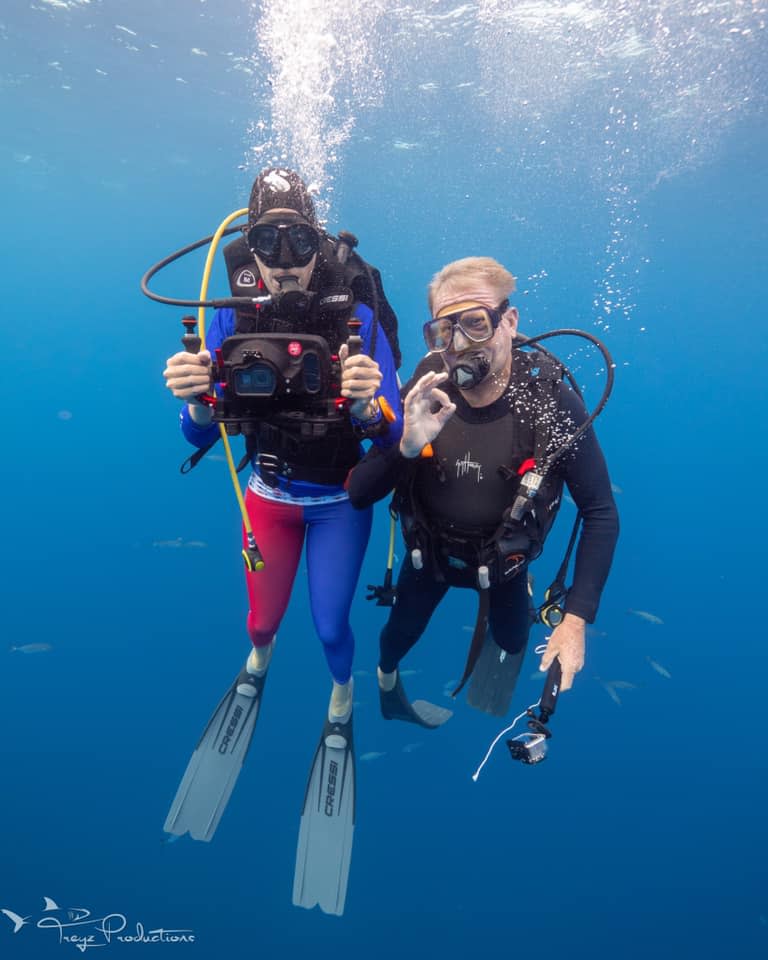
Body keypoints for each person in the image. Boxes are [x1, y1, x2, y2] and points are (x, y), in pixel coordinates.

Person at [161, 167, 402, 914]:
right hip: (266, 493)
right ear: (249, 245)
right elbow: (200, 427)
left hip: (337, 499)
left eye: (301, 239)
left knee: (332, 628)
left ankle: (341, 700)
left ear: (320, 240)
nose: (287, 257)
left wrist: (368, 404)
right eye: (269, 240)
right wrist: (195, 402)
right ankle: (258, 661)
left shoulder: (356, 301)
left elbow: (393, 430)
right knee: (262, 624)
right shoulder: (228, 303)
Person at [347, 256, 618, 727]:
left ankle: (517, 600)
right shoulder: (429, 385)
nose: (457, 346)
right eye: (442, 331)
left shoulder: (549, 402)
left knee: (513, 640)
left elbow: (600, 511)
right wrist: (405, 447)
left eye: (475, 323)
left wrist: (576, 621)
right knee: (393, 642)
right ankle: (391, 690)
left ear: (509, 322)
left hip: (505, 563)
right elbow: (358, 493)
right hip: (428, 555)